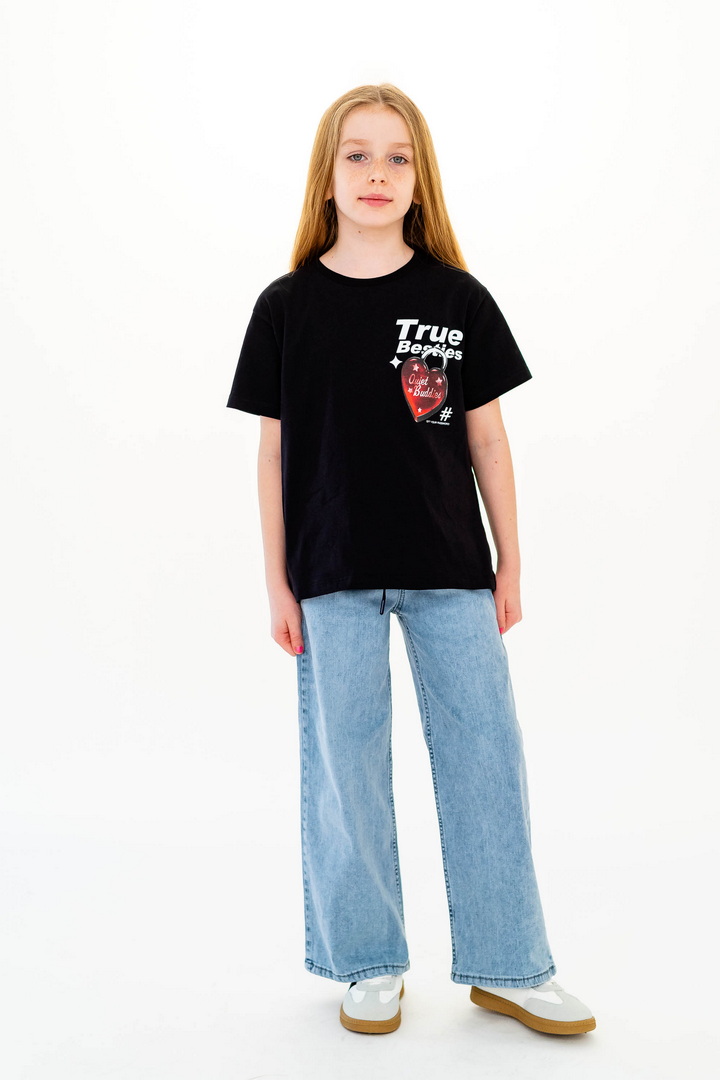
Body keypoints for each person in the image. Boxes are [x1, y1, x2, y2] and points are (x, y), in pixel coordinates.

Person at [226, 84, 596, 1037]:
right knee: (345, 767)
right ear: (327, 176)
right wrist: (276, 582)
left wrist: (511, 562)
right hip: (330, 572)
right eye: (357, 154)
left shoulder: (456, 299)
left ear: (420, 180)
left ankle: (510, 965)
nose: (377, 173)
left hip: (450, 567)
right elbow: (271, 455)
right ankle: (368, 961)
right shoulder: (286, 307)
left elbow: (489, 440)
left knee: (486, 756)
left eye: (398, 157)